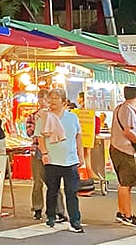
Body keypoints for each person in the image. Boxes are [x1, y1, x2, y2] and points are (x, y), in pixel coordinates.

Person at [38, 88, 85, 234]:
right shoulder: (44, 117)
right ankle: (51, 216)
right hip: (52, 159)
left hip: (70, 160)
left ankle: (75, 220)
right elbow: (40, 137)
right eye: (50, 98)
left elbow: (78, 137)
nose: (52, 101)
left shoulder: (72, 118)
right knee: (52, 190)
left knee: (72, 191)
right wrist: (44, 153)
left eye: (55, 99)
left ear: (64, 102)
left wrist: (81, 156)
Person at [110, 85, 136, 227]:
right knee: (127, 184)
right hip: (124, 149)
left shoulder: (120, 108)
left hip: (116, 147)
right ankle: (127, 215)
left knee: (124, 183)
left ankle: (122, 213)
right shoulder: (128, 110)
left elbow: (127, 127)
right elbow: (127, 132)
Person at [26, 89, 66, 221]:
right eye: (43, 99)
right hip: (37, 151)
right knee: (37, 182)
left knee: (53, 182)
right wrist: (39, 120)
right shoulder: (33, 116)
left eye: (48, 100)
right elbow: (30, 132)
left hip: (53, 152)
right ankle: (37, 208)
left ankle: (59, 211)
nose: (46, 102)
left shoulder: (56, 116)